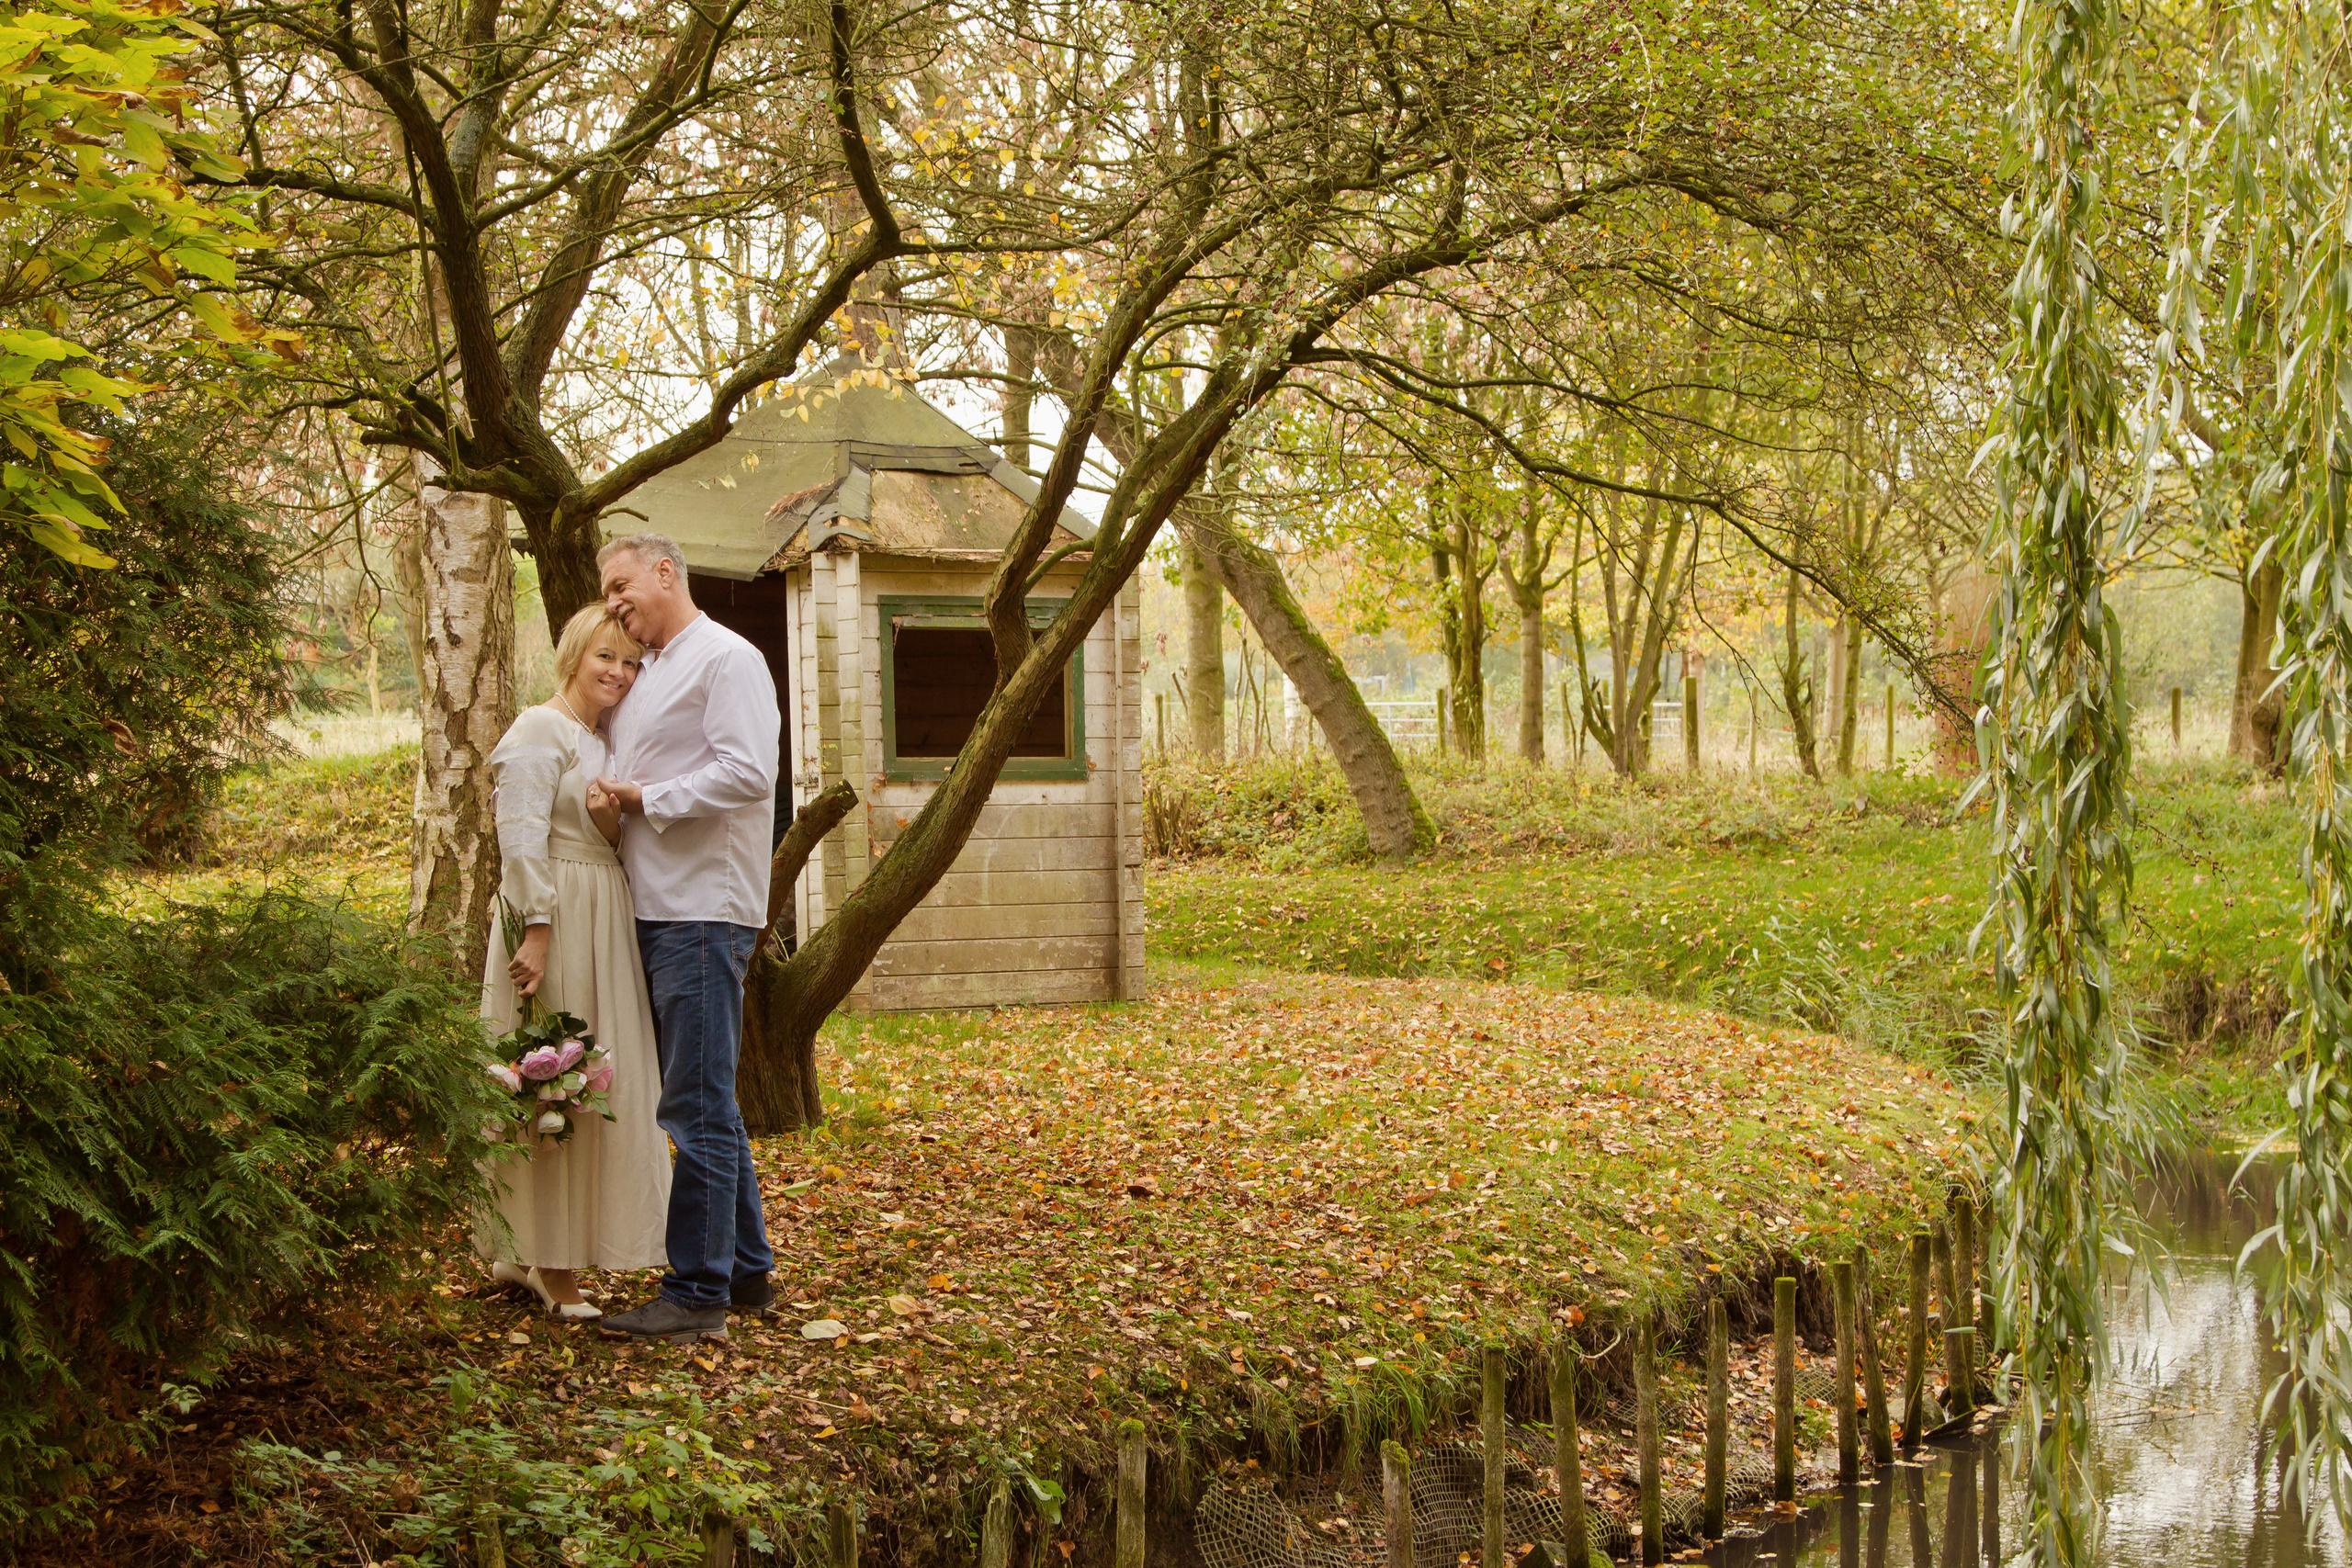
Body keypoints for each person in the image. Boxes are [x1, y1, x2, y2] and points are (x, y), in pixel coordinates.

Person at [591, 533, 781, 1345]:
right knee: (711, 1101)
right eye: (606, 592)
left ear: (665, 571)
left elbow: (749, 772)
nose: (612, 602)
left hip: (704, 908)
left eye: (621, 584)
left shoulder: (727, 659)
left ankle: (696, 1292)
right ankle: (746, 1270)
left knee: (693, 1105)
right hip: (663, 905)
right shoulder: (654, 670)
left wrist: (642, 798)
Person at [477, 604, 671, 1319]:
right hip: (553, 914)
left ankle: (528, 1249)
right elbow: (520, 832)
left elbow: (605, 834)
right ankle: (550, 1265)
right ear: (573, 657)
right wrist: (535, 927)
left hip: (602, 912)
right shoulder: (540, 728)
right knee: (551, 1072)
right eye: (605, 658)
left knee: (597, 1083)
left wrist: (608, 820)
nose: (618, 673)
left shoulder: (605, 741)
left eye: (629, 662)